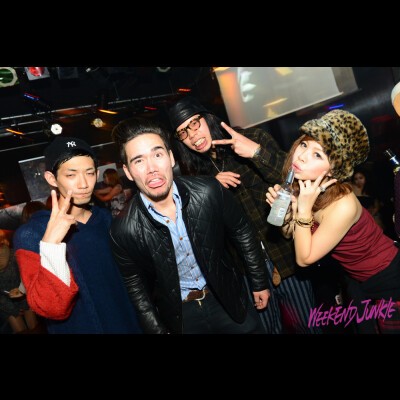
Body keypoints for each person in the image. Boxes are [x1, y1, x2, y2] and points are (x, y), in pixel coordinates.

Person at [167, 95, 320, 334]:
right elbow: (205, 232)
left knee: (306, 327)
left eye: (194, 123)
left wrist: (256, 152)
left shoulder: (252, 138)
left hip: (284, 257)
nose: (192, 135)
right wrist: (209, 189)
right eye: (182, 133)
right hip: (249, 270)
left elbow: (295, 177)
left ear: (207, 118)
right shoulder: (195, 175)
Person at [109, 116, 270, 334]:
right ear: (127, 171)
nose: (152, 168)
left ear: (171, 157)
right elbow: (135, 286)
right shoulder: (123, 229)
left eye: (157, 154)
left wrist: (259, 282)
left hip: (227, 297)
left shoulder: (208, 191)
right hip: (182, 316)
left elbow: (242, 232)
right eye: (139, 161)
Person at [266, 109, 400, 334]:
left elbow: (304, 258)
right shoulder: (304, 186)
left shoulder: (343, 204)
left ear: (333, 171)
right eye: (304, 144)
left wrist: (303, 210)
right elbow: (291, 234)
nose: (302, 156)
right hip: (357, 281)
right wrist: (287, 213)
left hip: (389, 279)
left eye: (318, 155)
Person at [13, 136, 142, 334]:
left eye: (89, 173)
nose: (83, 184)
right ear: (52, 179)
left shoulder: (106, 220)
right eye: (71, 175)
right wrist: (51, 244)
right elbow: (51, 308)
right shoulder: (31, 234)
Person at [0, 229, 39, 333]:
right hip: (5, 302)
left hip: (24, 295)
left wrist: (24, 297)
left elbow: (27, 278)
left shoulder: (15, 255)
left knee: (34, 327)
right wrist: (12, 309)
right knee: (21, 330)